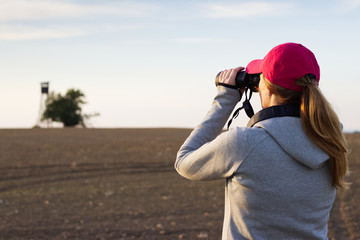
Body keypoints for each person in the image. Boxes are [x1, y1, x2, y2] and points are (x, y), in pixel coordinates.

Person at [174, 42, 349, 240]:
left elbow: (184, 161)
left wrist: (225, 99)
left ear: (268, 88)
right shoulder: (331, 142)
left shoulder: (244, 143)